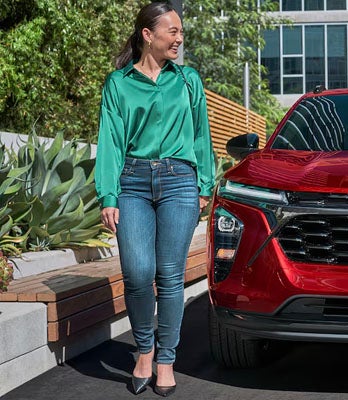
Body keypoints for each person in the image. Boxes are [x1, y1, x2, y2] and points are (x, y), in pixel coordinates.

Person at [96, 2, 216, 397]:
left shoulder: (188, 80)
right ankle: (142, 349)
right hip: (132, 181)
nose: (179, 38)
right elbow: (110, 141)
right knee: (136, 271)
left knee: (168, 274)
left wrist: (204, 185)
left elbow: (202, 135)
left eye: (181, 32)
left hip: (180, 182)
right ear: (148, 34)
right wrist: (108, 195)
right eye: (173, 31)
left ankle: (165, 358)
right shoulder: (118, 83)